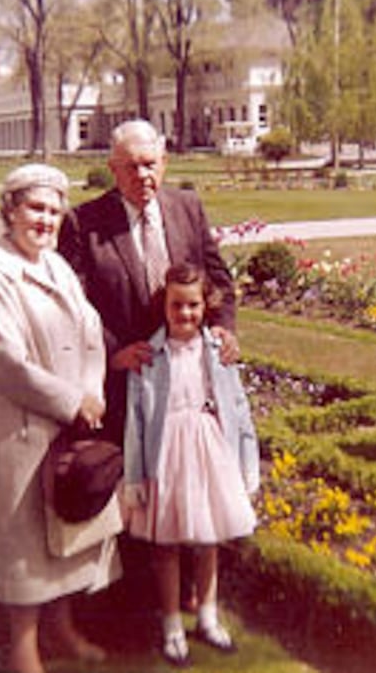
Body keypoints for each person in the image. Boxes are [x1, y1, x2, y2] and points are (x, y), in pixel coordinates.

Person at [0, 163, 121, 673]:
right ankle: (23, 649)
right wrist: (69, 400)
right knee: (24, 544)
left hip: (71, 421)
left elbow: (93, 333)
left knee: (65, 536)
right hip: (22, 429)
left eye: (54, 211)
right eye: (36, 208)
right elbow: (6, 362)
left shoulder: (57, 267)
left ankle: (63, 631)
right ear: (9, 210)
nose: (46, 220)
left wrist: (92, 391)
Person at [57, 119, 239, 447]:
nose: (142, 175)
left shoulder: (187, 207)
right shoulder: (84, 223)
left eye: (149, 164)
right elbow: (73, 308)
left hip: (189, 379)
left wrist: (224, 327)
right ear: (113, 169)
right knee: (137, 485)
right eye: (130, 167)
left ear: (164, 162)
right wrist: (113, 355)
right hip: (127, 383)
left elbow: (218, 279)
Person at [122, 263, 259, 667]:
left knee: (207, 540)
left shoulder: (217, 350)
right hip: (166, 454)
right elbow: (136, 420)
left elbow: (238, 408)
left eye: (193, 305)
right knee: (166, 544)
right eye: (177, 306)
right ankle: (171, 625)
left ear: (206, 305)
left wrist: (246, 463)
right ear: (164, 306)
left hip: (208, 449)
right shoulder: (150, 355)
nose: (185, 314)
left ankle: (207, 615)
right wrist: (135, 476)